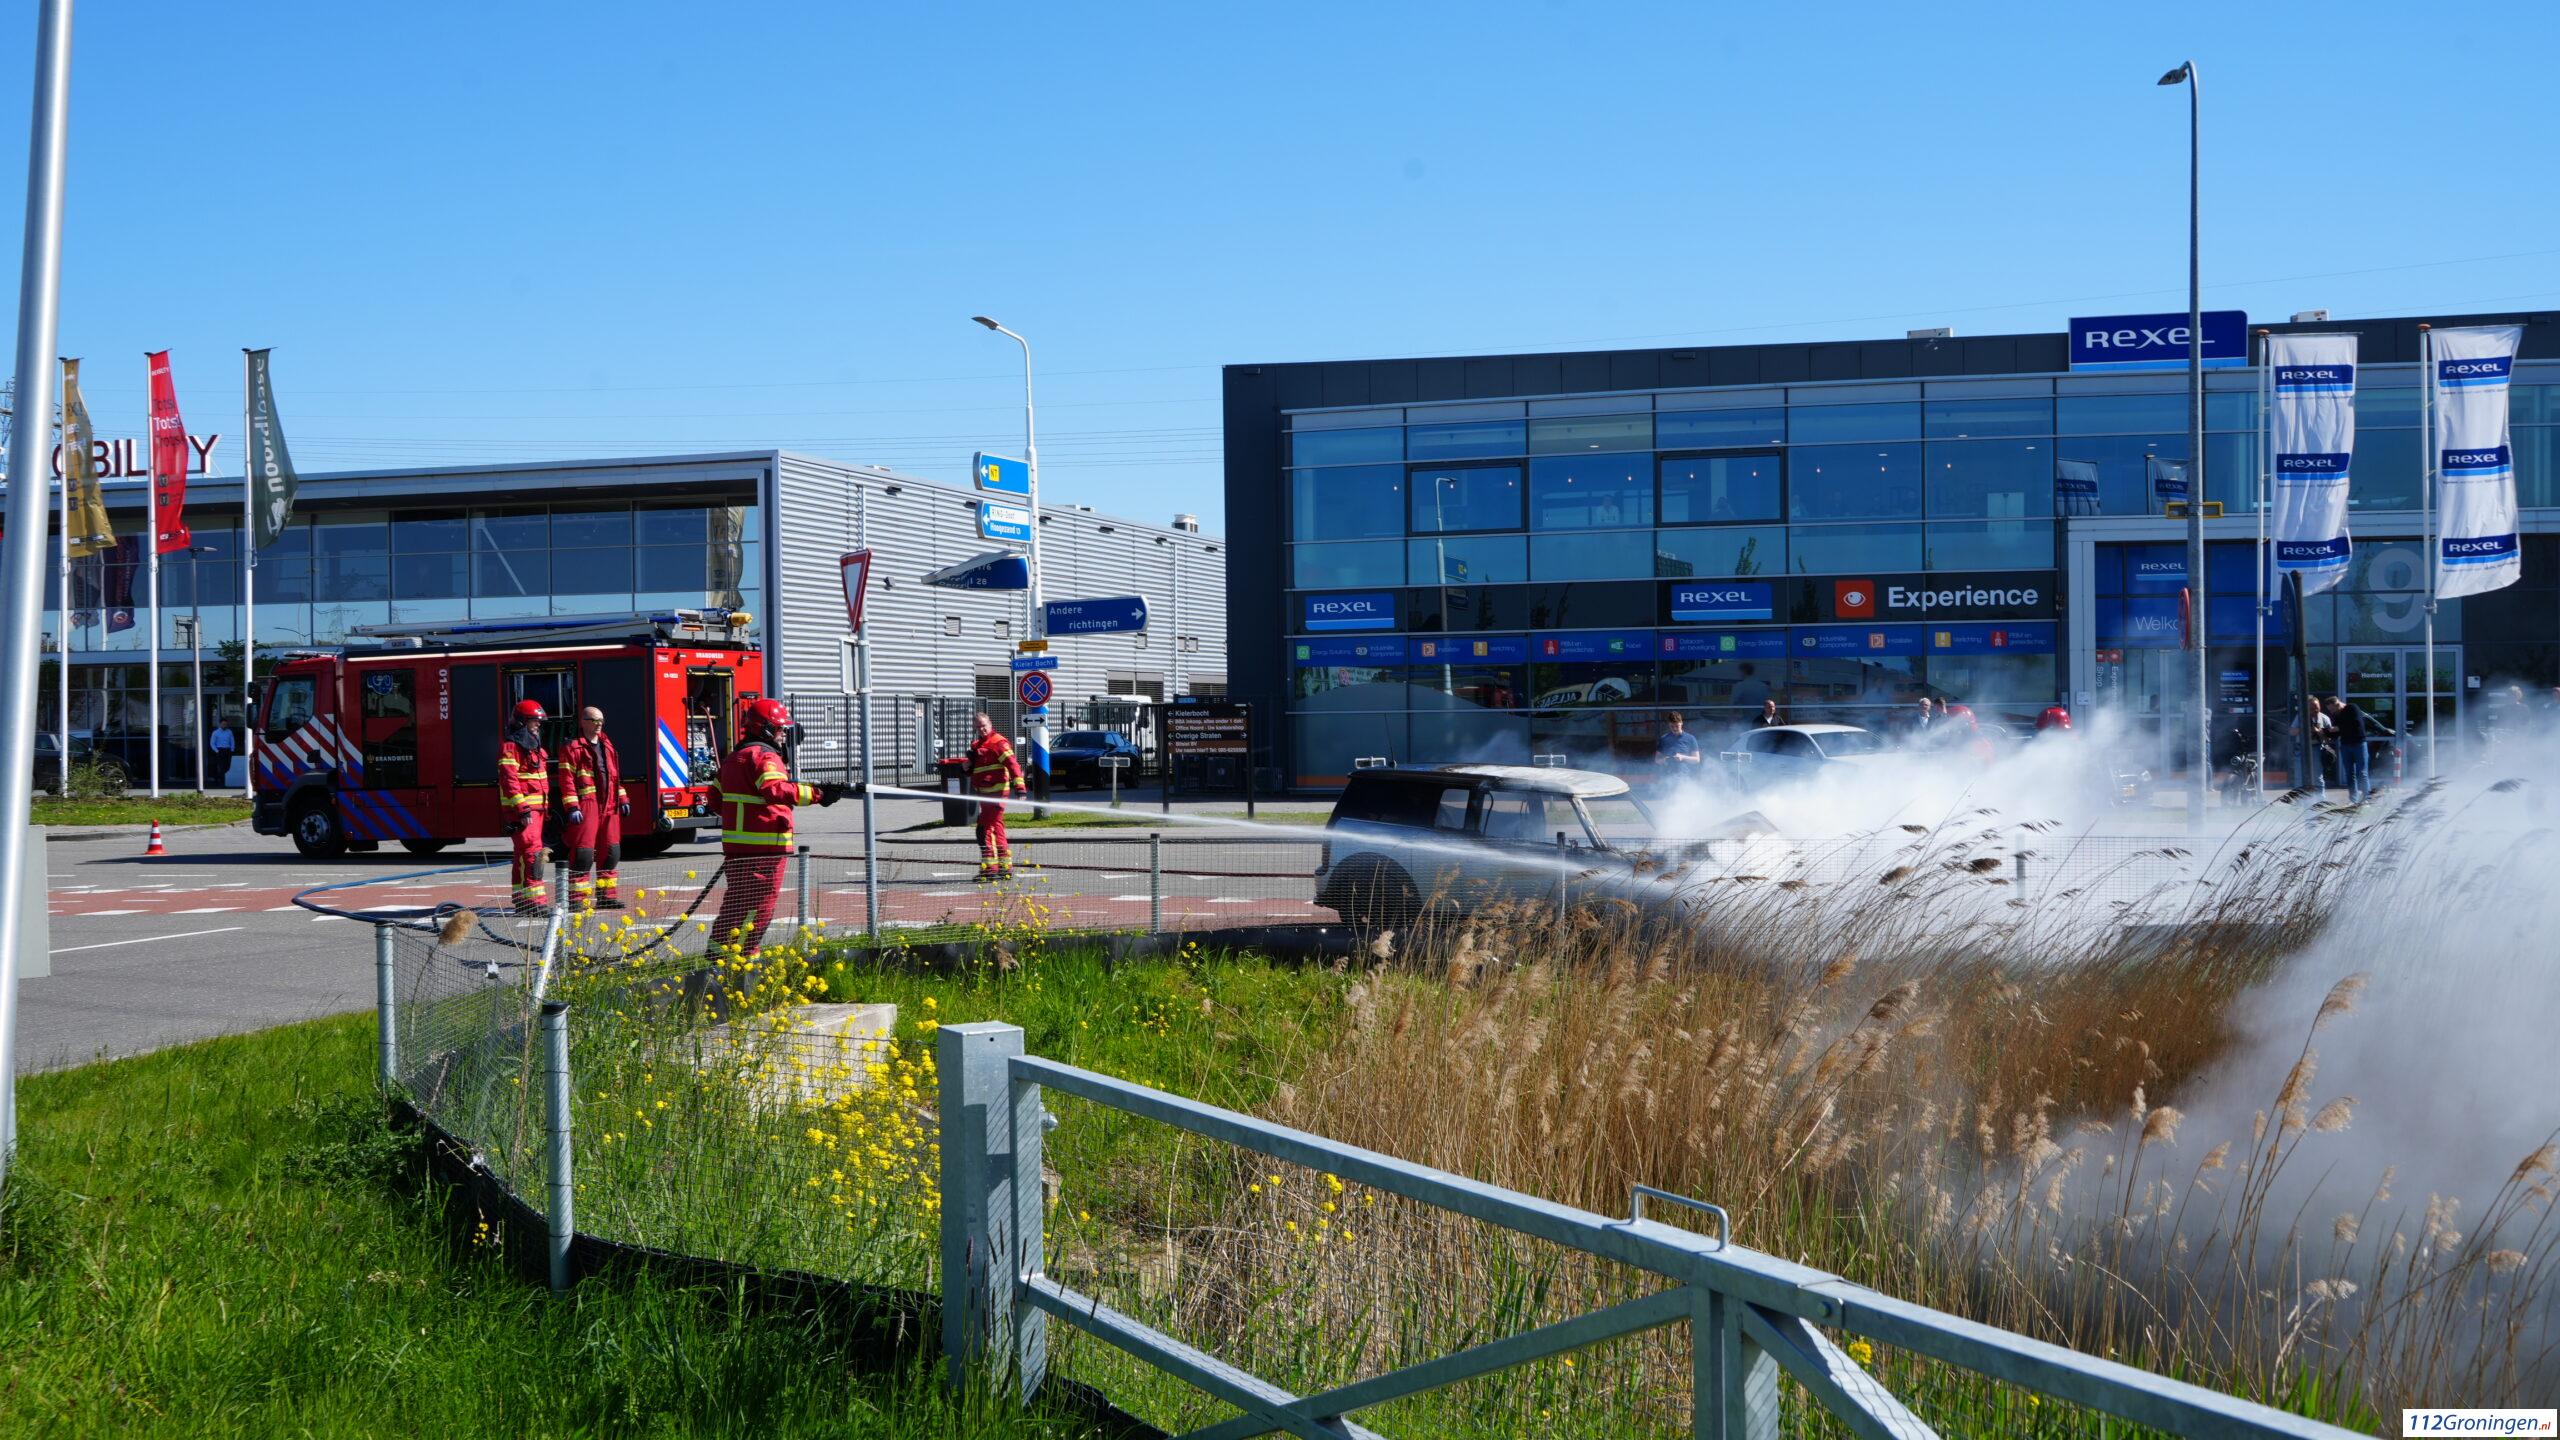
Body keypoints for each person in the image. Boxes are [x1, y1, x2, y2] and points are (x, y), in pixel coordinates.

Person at [712, 698, 846, 956]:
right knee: (760, 904)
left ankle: (717, 953)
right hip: (765, 845)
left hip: (736, 847)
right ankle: (747, 956)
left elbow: (715, 799)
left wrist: (739, 820)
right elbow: (775, 789)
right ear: (765, 729)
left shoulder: (733, 758)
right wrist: (818, 795)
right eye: (779, 729)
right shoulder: (764, 756)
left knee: (737, 902)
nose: (783, 735)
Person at [556, 706, 626, 910]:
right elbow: (566, 780)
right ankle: (577, 899)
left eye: (601, 721)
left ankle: (606, 896)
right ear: (583, 722)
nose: (599, 725)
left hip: (609, 804)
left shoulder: (607, 744)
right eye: (595, 720)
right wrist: (572, 806)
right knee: (583, 854)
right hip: (587, 804)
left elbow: (614, 776)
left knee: (612, 851)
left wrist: (623, 797)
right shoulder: (572, 748)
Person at [498, 699, 553, 914]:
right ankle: (535, 902)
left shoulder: (533, 745)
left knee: (523, 854)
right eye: (534, 721)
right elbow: (509, 780)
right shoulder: (511, 747)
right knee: (532, 853)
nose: (538, 725)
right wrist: (522, 808)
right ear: (522, 722)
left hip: (536, 810)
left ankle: (521, 900)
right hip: (524, 811)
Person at [966, 711, 1028, 880]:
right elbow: (977, 769)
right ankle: (1005, 867)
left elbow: (1013, 764)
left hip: (997, 794)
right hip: (985, 795)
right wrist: (968, 766)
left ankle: (989, 868)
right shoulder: (978, 745)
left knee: (983, 830)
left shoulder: (998, 743)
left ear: (990, 724)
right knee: (997, 828)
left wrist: (1020, 787)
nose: (981, 729)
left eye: (984, 726)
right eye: (978, 727)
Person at [2326, 696, 2374, 804]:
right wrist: (2325, 732)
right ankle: (2353, 800)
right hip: (2345, 746)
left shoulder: (2352, 708)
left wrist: (2338, 728)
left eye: (2332, 709)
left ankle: (2366, 800)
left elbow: (2357, 724)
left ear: (2337, 704)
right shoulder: (2337, 715)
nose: (2331, 712)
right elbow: (2336, 732)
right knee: (2349, 773)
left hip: (2359, 744)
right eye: (2330, 710)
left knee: (2361, 772)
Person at [207, 717, 237, 787]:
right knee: (221, 767)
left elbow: (232, 741)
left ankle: (226, 781)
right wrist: (217, 751)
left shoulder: (229, 732)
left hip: (228, 750)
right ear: (220, 724)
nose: (224, 725)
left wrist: (232, 750)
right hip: (220, 750)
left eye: (225, 724)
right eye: (223, 724)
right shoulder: (215, 732)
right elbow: (212, 743)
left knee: (228, 766)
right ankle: (220, 782)